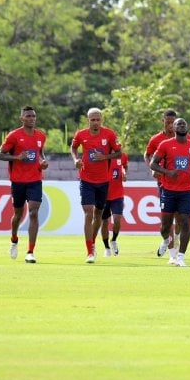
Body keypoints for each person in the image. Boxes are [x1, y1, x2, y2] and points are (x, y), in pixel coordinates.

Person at [0, 105, 49, 263]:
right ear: (22, 118)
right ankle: (14, 239)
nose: (31, 119)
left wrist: (43, 162)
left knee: (33, 213)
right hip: (18, 181)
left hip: (35, 180)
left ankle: (30, 252)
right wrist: (17, 158)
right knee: (18, 214)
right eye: (28, 116)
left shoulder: (40, 136)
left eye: (33, 116)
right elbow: (0, 155)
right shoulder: (13, 136)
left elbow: (40, 153)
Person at [70, 107, 122, 264]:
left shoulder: (110, 134)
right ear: (88, 121)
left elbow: (119, 153)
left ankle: (92, 242)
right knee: (89, 213)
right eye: (92, 119)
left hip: (103, 181)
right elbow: (73, 148)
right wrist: (76, 160)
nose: (95, 122)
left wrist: (105, 156)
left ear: (102, 120)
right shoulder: (81, 135)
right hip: (86, 180)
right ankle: (89, 251)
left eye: (98, 119)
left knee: (99, 214)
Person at [149, 118, 190, 267]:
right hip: (168, 190)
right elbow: (153, 163)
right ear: (173, 127)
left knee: (185, 223)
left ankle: (180, 257)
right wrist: (167, 172)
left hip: (186, 191)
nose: (182, 125)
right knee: (165, 226)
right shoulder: (165, 145)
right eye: (179, 123)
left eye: (184, 123)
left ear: (187, 127)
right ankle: (166, 240)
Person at [101, 152, 128, 257]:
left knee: (117, 219)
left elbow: (125, 166)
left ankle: (114, 240)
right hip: (103, 196)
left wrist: (125, 173)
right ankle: (106, 247)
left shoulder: (123, 156)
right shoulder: (102, 156)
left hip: (118, 194)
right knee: (104, 223)